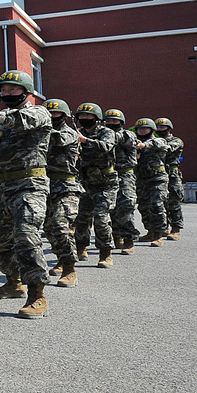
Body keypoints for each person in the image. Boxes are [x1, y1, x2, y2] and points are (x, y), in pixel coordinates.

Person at [0, 71, 52, 319]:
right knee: (2, 238)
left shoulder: (39, 112)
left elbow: (19, 120)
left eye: (13, 89)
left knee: (26, 234)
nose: (7, 94)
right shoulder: (3, 122)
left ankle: (37, 295)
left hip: (30, 183)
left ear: (26, 91)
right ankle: (13, 281)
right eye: (4, 90)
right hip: (3, 186)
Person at [70, 103, 118, 274]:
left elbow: (106, 147)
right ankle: (81, 247)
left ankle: (105, 253)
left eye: (88, 117)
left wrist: (84, 141)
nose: (85, 119)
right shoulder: (78, 132)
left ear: (97, 119)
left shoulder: (107, 133)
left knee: (101, 217)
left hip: (105, 183)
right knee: (81, 218)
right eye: (81, 117)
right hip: (85, 182)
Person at [40, 99, 82, 285]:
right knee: (48, 229)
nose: (51, 117)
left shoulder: (70, 133)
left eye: (55, 114)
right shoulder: (41, 134)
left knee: (60, 226)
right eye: (48, 114)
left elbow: (56, 139)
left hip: (66, 186)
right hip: (45, 186)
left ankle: (69, 268)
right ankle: (60, 257)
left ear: (64, 116)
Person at [103, 109, 139, 253]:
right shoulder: (102, 135)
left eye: (114, 121)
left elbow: (117, 138)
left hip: (125, 175)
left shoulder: (127, 134)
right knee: (109, 207)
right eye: (109, 121)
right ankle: (116, 237)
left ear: (121, 122)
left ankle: (129, 240)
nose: (111, 123)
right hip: (108, 174)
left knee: (125, 206)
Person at [132, 118, 170, 247]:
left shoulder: (158, 140)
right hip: (141, 179)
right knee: (143, 206)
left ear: (152, 129)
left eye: (145, 128)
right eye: (140, 129)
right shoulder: (135, 144)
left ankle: (159, 234)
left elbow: (159, 144)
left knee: (157, 205)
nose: (142, 130)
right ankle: (150, 231)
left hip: (157, 178)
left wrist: (144, 145)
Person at [155, 117, 184, 240]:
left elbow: (167, 148)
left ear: (169, 128)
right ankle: (163, 228)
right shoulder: (155, 141)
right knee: (160, 202)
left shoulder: (176, 141)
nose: (160, 129)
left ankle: (176, 229)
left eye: (163, 127)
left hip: (172, 174)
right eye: (158, 127)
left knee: (173, 201)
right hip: (158, 173)